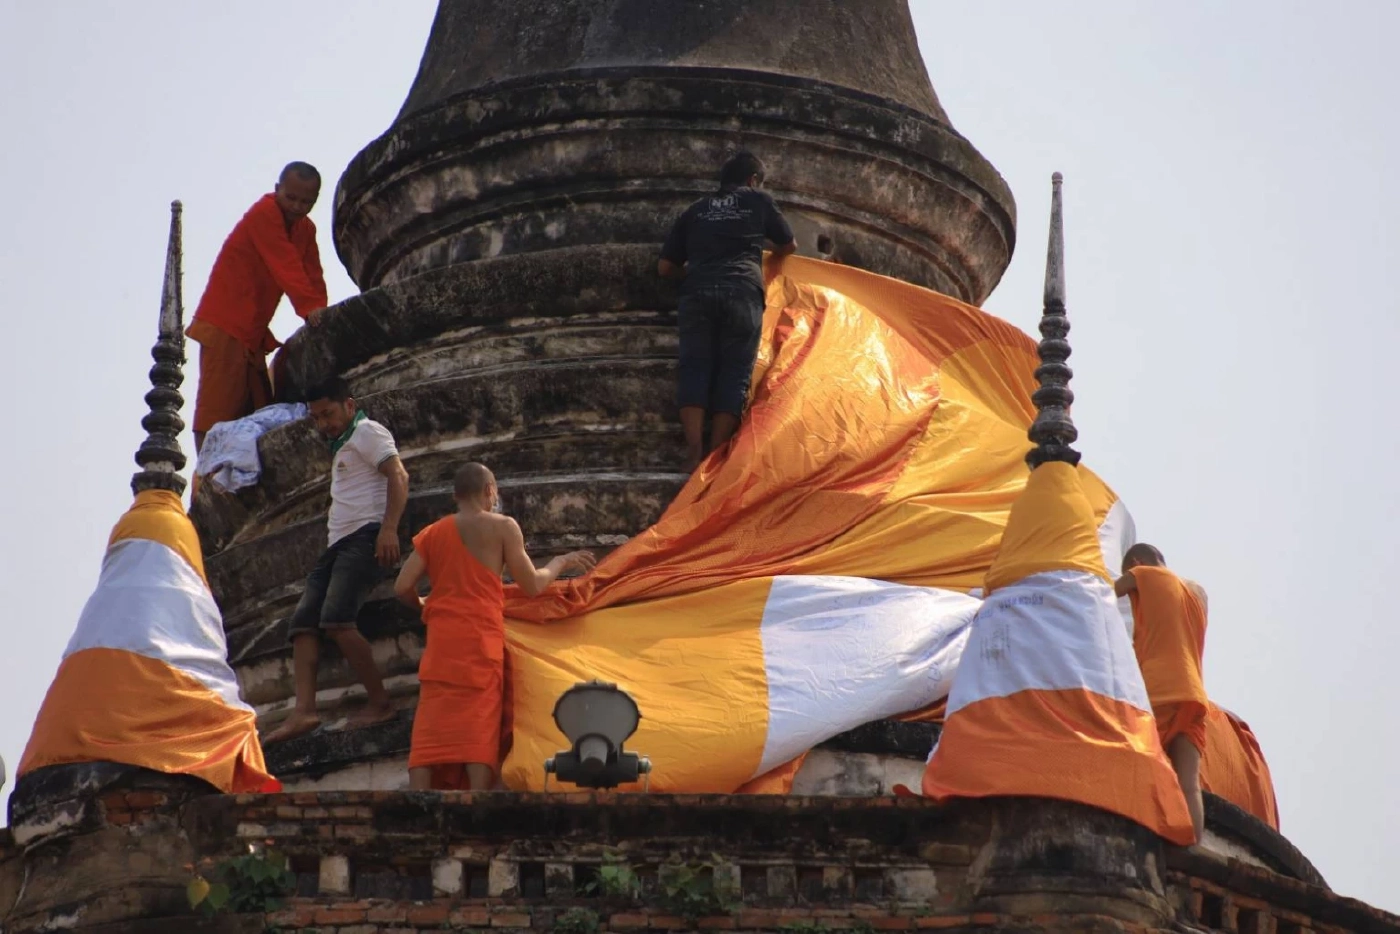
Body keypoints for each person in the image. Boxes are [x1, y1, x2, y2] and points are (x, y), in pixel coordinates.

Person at [394, 462, 595, 790]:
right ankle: (478, 802)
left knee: (431, 728)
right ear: (489, 491)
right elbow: (532, 585)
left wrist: (423, 604)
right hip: (480, 641)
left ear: (456, 495)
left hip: (442, 643)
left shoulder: (433, 533)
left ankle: (418, 802)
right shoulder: (503, 526)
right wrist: (559, 562)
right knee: (478, 722)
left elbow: (402, 586)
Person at [263, 377, 410, 744]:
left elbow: (398, 475)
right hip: (338, 544)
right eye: (316, 418)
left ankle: (380, 703)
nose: (323, 424)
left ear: (349, 405)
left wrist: (389, 528)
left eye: (328, 414)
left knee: (337, 620)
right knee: (303, 624)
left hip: (365, 537)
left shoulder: (367, 432)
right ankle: (304, 711)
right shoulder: (345, 443)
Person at [658, 151, 797, 471]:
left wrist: (697, 272)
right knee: (734, 373)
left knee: (695, 367)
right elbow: (788, 244)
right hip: (742, 292)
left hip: (697, 292)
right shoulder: (758, 200)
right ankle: (715, 457)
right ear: (753, 180)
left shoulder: (696, 210)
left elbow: (665, 267)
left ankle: (693, 449)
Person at [187, 162, 329, 454]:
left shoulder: (305, 229)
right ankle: (206, 471)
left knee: (257, 411)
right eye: (291, 198)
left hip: (253, 333)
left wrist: (320, 312)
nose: (297, 207)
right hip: (226, 324)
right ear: (277, 190)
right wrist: (308, 308)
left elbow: (312, 273)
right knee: (217, 410)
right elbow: (286, 264)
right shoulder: (264, 214)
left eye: (306, 202)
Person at [1114, 543, 1210, 841]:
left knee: (1136, 768)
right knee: (1189, 784)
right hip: (1193, 696)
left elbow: (1102, 594)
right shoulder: (1195, 595)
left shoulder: (1143, 574)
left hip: (1158, 690)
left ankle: (1141, 840)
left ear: (1137, 562)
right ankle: (1193, 849)